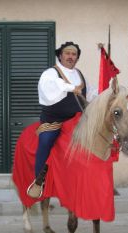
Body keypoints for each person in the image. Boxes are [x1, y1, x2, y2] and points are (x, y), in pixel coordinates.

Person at [27, 41, 97, 198]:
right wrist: (71, 87)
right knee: (45, 141)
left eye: (74, 54)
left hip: (78, 120)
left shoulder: (80, 75)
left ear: (77, 58)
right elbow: (51, 86)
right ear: (60, 55)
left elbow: (90, 93)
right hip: (54, 121)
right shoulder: (51, 73)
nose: (70, 57)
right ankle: (39, 181)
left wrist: (106, 97)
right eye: (67, 53)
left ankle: (92, 179)